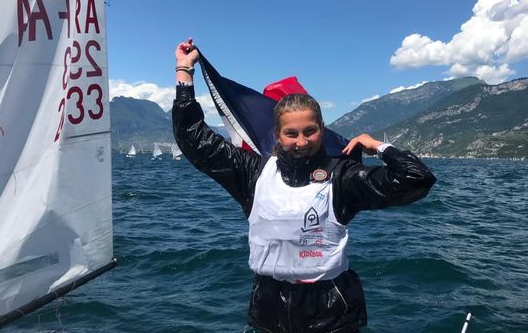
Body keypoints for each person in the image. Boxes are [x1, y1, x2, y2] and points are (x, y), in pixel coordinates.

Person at [172, 38, 436, 333]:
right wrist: (184, 72)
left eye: (310, 131)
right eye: (291, 133)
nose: (301, 142)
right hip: (268, 308)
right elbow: (193, 138)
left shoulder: (343, 177)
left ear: (321, 130)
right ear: (277, 134)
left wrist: (379, 146)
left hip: (331, 313)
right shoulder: (253, 175)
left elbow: (418, 179)